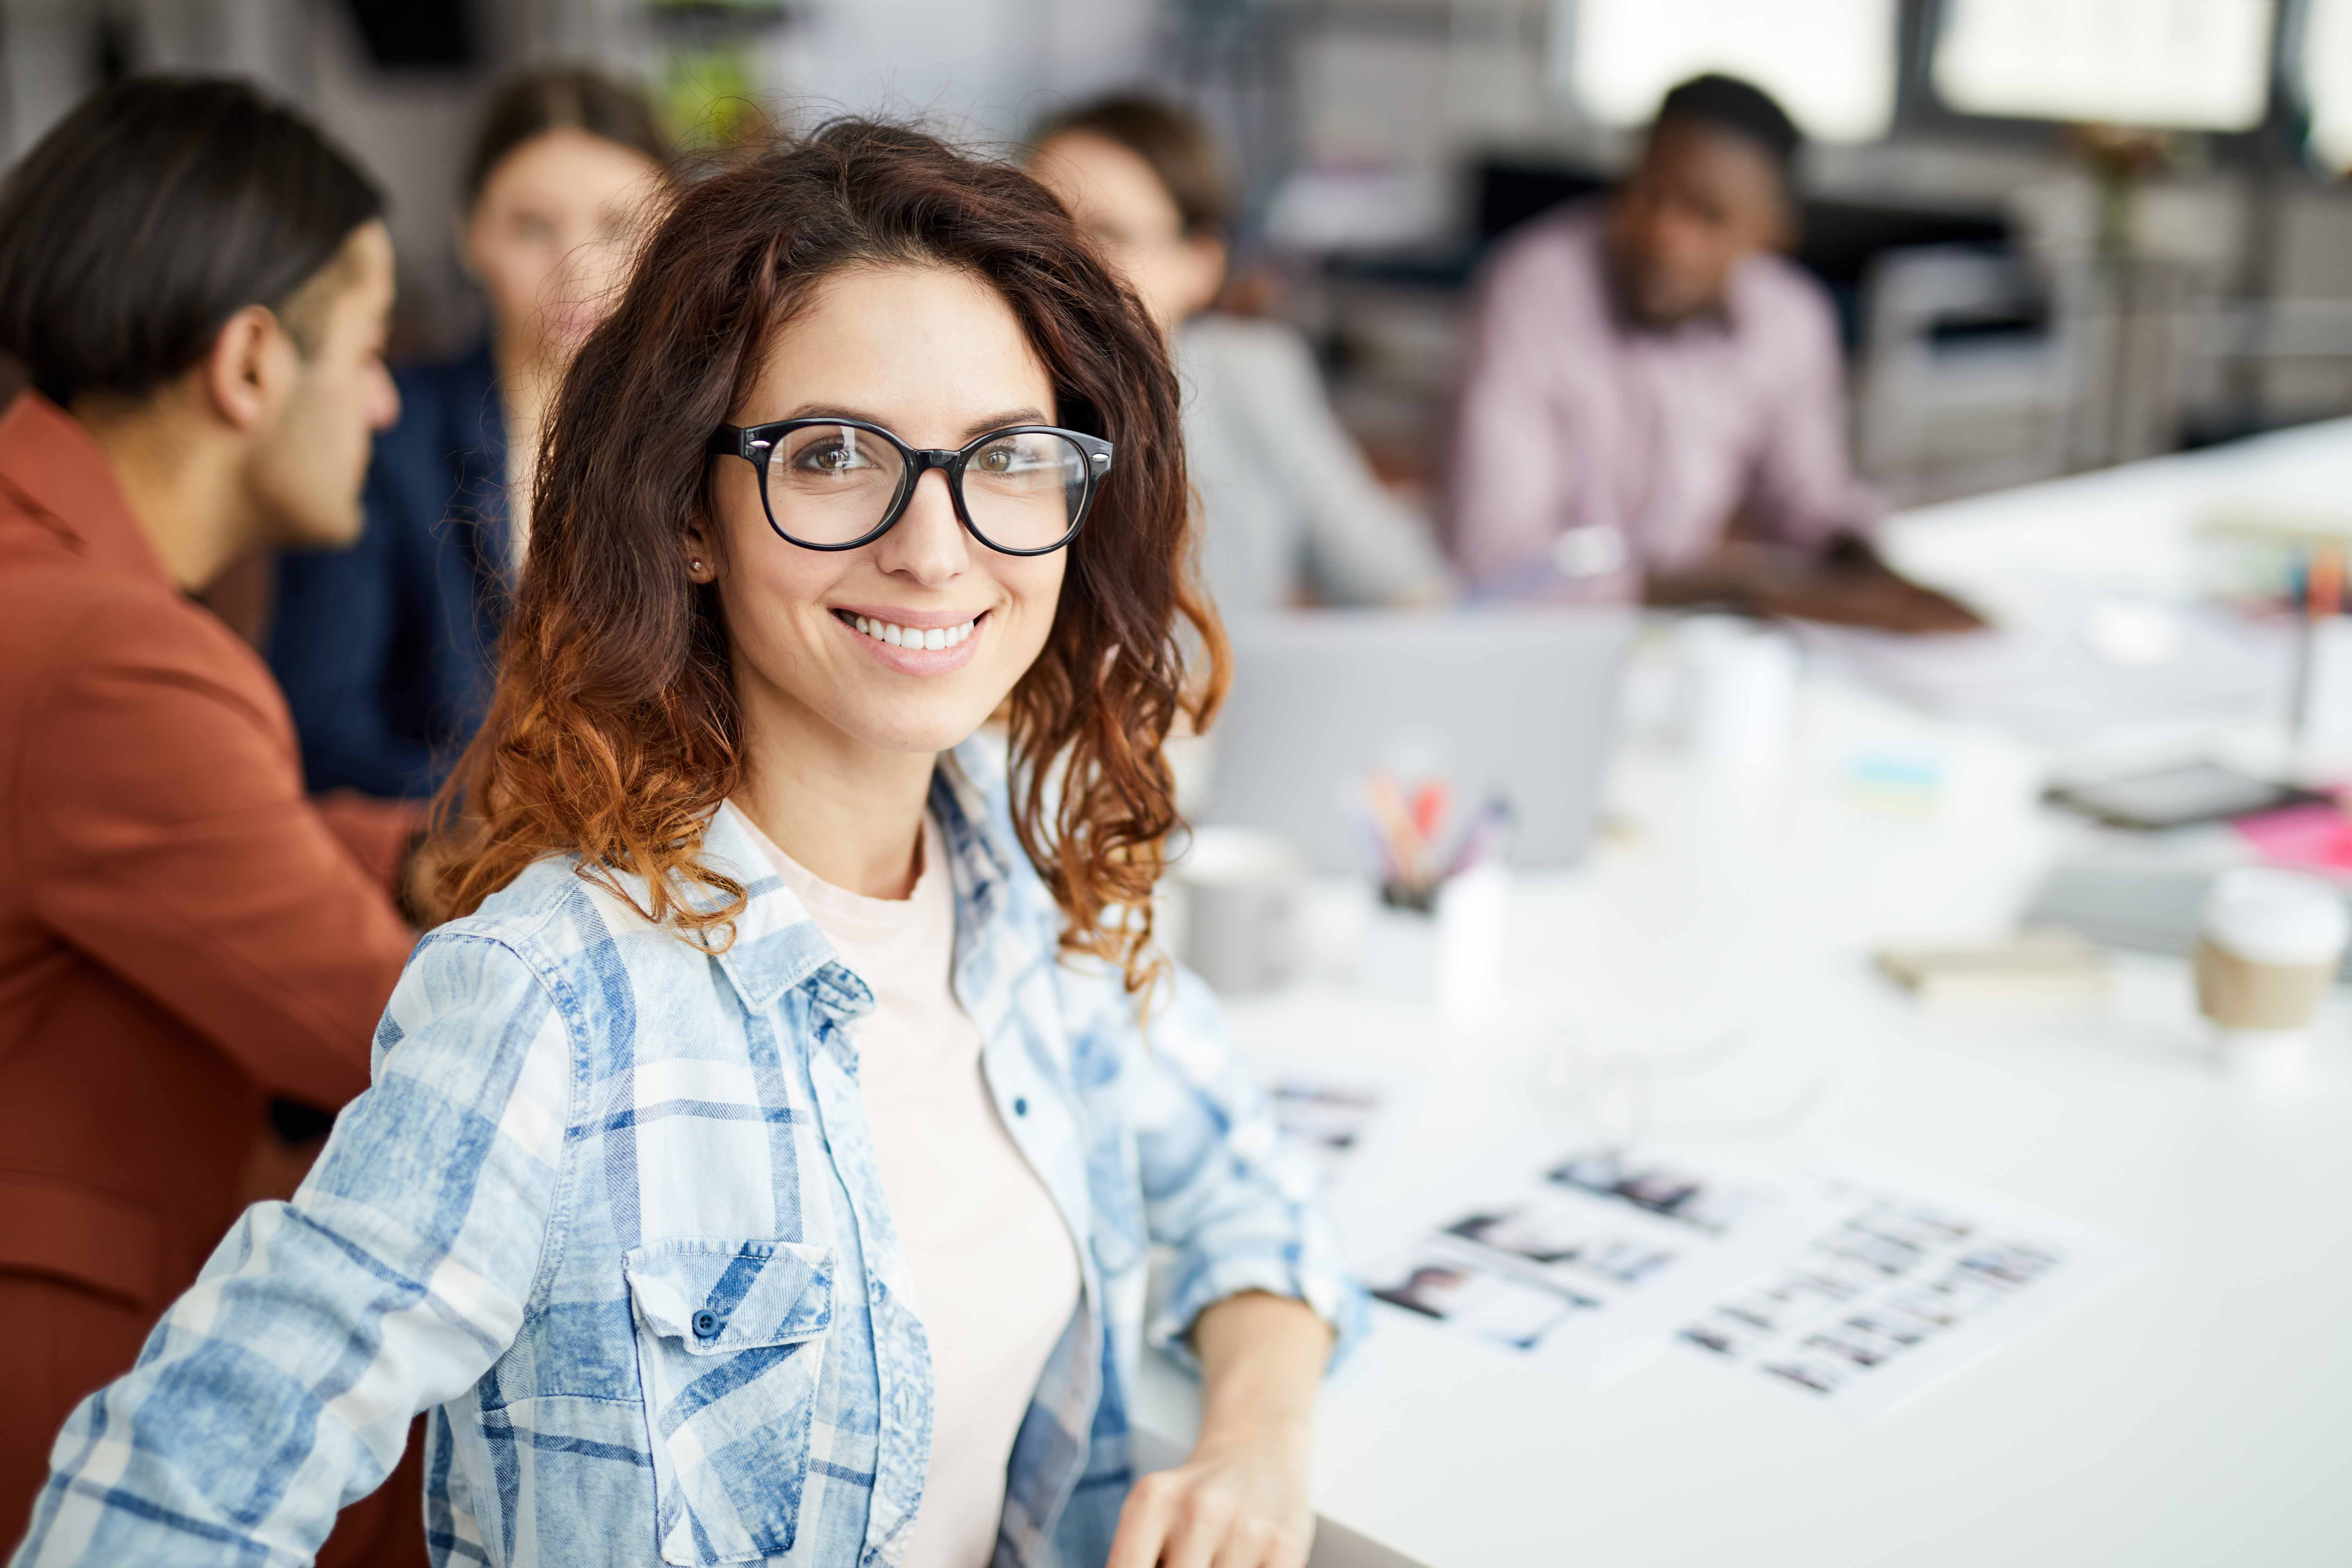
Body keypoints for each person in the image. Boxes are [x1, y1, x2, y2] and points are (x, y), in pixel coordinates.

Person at [14, 120, 1363, 1568]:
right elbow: (171, 1492)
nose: (935, 545)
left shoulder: (1027, 896)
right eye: (838, 455)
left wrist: (1253, 1442)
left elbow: (1248, 1185)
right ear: (693, 514)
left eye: (1008, 458)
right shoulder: (551, 995)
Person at [0, 78, 426, 1563]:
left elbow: (198, 851)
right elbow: (390, 1040)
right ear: (251, 361)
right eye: (372, 352)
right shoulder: (115, 657)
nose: (385, 401)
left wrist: (424, 852)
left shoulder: (49, 592)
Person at [1446, 73, 1981, 632]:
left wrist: (1870, 572)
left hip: (1682, 637)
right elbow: (1502, 563)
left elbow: (1809, 501)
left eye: (1708, 215)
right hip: (1533, 638)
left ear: (1772, 232)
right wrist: (1738, 587)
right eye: (1649, 193)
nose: (1665, 236)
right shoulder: (1531, 290)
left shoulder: (1790, 319)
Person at [268, 68, 674, 800]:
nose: (576, 268)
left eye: (618, 227)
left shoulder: (709, 441)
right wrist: (515, 822)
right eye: (533, 227)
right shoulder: (385, 440)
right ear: (470, 237)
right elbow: (322, 736)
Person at [1031, 94, 1451, 615]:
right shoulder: (980, 396)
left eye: (1108, 235)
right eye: (1038, 226)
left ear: (1202, 265)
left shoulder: (1253, 374)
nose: (1061, 262)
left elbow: (1393, 576)